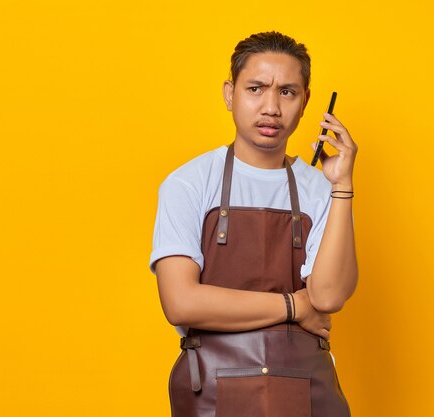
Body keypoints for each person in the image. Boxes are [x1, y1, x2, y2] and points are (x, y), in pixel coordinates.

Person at [149, 31, 358, 417]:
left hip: (306, 389)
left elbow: (328, 298)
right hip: (209, 391)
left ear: (306, 101)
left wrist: (342, 186)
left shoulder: (319, 189)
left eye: (287, 92)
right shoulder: (189, 182)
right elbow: (180, 302)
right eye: (256, 88)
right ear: (230, 94)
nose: (271, 107)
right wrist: (293, 305)